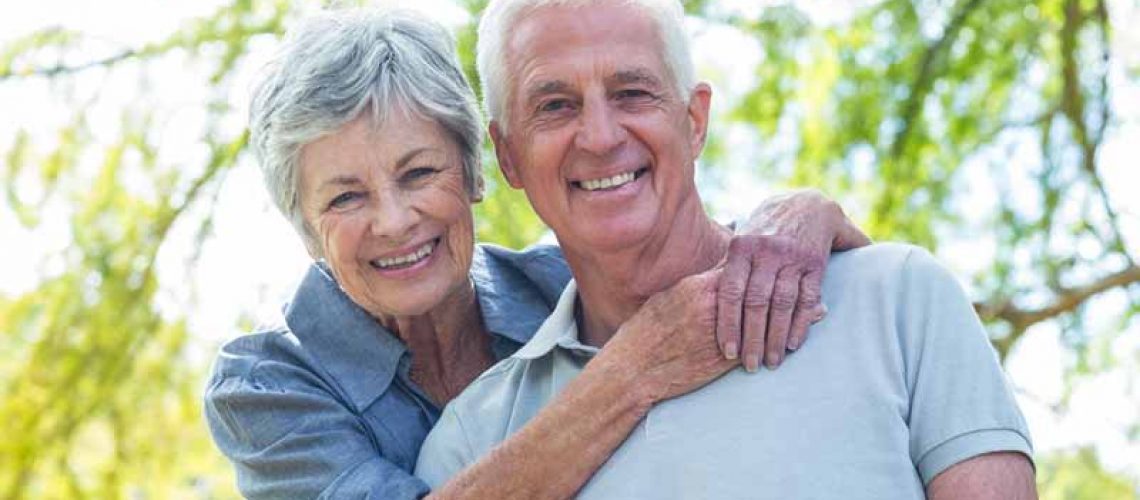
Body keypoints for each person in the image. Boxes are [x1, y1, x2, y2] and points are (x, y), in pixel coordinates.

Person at [203, 8, 870, 499]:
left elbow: (734, 264)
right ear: (305, 227)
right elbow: (667, 341)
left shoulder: (557, 283)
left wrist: (805, 214)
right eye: (346, 199)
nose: (394, 221)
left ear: (477, 172)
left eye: (418, 175)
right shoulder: (264, 386)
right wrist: (636, 368)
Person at [414, 0, 1037, 498]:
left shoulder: (899, 300)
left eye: (632, 92)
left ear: (695, 120)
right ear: (508, 155)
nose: (600, 137)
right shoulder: (472, 441)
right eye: (555, 105)